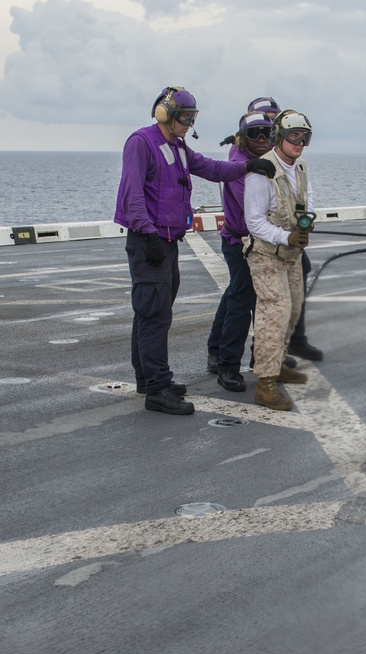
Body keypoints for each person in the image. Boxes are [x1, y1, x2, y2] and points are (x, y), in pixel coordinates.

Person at [115, 86, 276, 415]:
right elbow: (132, 194)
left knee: (151, 311)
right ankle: (158, 389)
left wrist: (249, 167)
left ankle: (147, 378)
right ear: (165, 114)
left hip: (168, 240)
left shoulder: (177, 146)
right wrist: (147, 235)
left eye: (192, 118)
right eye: (185, 118)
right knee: (155, 314)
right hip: (151, 241)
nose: (189, 124)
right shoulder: (141, 143)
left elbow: (213, 169)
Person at [244, 109, 314, 411]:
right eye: (294, 136)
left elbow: (308, 200)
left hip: (291, 255)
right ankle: (265, 384)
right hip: (267, 255)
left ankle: (279, 364)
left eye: (305, 137)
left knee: (293, 309)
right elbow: (254, 222)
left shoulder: (300, 168)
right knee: (275, 313)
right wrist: (286, 237)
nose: (299, 143)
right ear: (279, 138)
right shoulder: (262, 172)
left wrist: (307, 225)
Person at [205, 110, 275, 392]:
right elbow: (255, 207)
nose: (260, 139)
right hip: (240, 242)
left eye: (266, 133)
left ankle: (254, 356)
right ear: (243, 138)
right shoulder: (240, 166)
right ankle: (228, 366)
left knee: (246, 296)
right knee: (241, 298)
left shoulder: (266, 160)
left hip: (264, 242)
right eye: (253, 134)